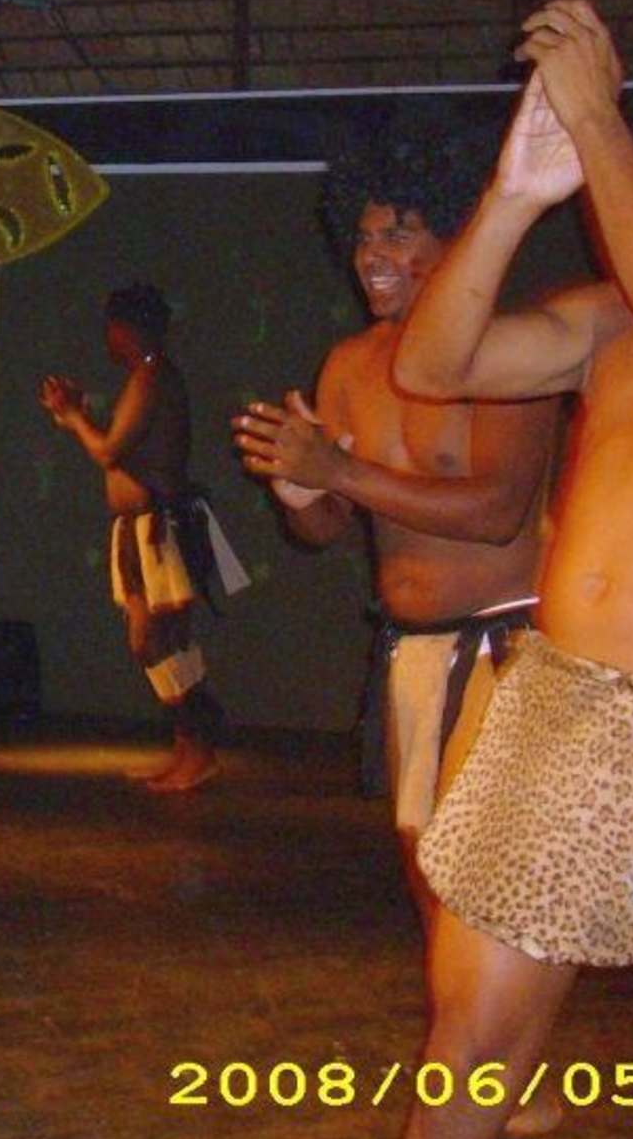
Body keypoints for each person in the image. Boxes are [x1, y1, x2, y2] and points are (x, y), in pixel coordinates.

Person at [378, 5, 633, 1139]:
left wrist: (599, 118)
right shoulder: (612, 314)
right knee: (470, 1065)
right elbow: (433, 363)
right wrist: (514, 197)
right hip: (585, 722)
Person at [232, 116, 559, 916]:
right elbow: (326, 528)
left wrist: (340, 470)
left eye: (398, 234)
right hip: (409, 651)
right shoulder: (350, 365)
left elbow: (497, 512)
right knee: (424, 867)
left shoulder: (509, 348)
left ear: (456, 240)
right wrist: (299, 492)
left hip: (508, 648)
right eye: (363, 236)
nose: (372, 255)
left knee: (485, 885)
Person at [42, 283, 229, 791]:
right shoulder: (148, 376)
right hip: (141, 529)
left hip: (157, 529)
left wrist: (74, 418)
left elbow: (108, 452)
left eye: (110, 328)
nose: (107, 338)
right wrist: (77, 418)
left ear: (123, 330)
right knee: (158, 640)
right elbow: (120, 449)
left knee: (158, 639)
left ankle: (199, 749)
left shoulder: (153, 377)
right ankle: (188, 749)